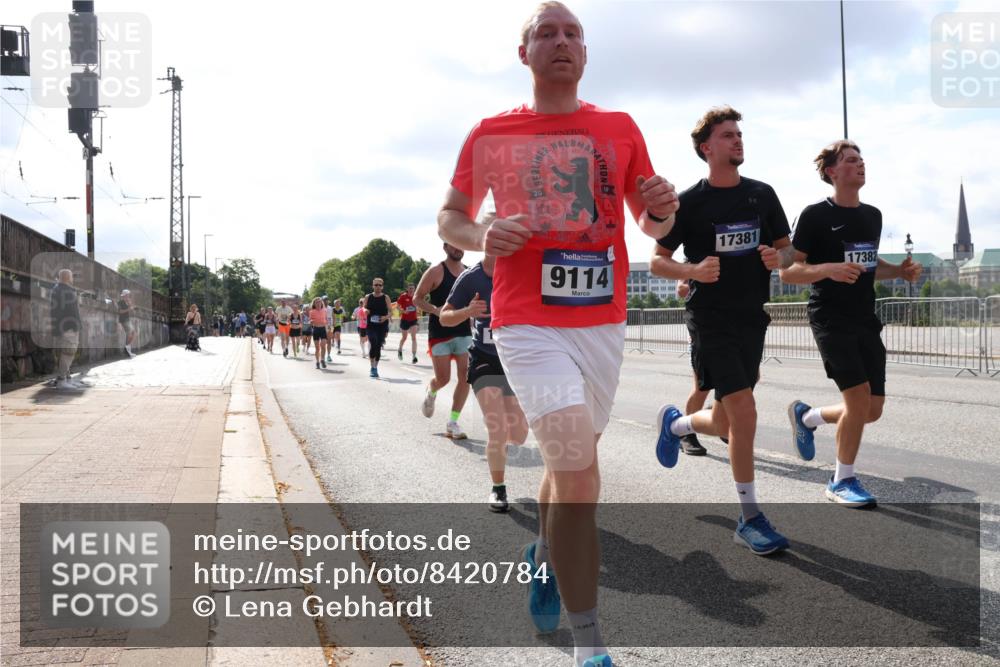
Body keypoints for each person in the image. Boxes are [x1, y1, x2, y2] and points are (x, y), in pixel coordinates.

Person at [437, 4, 680, 664]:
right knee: (579, 472)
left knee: (563, 465)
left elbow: (651, 223)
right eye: (547, 32)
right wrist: (481, 234)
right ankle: (590, 642)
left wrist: (663, 207)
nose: (562, 41)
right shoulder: (492, 134)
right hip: (526, 321)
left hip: (601, 322)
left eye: (573, 32)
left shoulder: (619, 127)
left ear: (586, 52)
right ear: (526, 54)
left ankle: (543, 558)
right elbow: (451, 218)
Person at [650, 106, 794, 556]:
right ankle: (750, 517)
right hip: (709, 315)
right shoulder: (690, 203)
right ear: (706, 148)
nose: (737, 141)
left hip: (752, 314)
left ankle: (676, 424)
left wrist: (778, 260)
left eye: (739, 134)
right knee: (745, 411)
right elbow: (657, 260)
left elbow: (789, 255)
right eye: (728, 135)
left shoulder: (762, 195)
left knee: (728, 418)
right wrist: (692, 268)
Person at [781, 140, 922, 508]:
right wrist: (828, 269)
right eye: (850, 160)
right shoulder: (814, 215)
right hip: (830, 316)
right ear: (831, 171)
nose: (860, 165)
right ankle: (841, 480)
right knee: (857, 401)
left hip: (865, 318)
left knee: (871, 410)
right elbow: (788, 271)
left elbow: (870, 265)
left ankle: (808, 417)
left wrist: (900, 272)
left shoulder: (872, 215)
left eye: (861, 160)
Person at [440, 254, 529, 512]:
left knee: (519, 435)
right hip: (483, 360)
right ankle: (498, 489)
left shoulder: (522, 270)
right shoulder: (471, 277)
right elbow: (445, 317)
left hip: (514, 361)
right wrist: (467, 311)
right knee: (497, 428)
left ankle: (500, 448)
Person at [415, 243, 473, 440]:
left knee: (466, 376)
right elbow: (417, 298)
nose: (458, 248)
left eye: (461, 244)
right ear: (445, 246)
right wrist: (435, 309)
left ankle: (453, 422)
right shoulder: (435, 271)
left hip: (464, 331)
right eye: (454, 245)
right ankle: (432, 390)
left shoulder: (469, 272)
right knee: (444, 379)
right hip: (439, 332)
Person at [50, 269, 84, 389]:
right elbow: (70, 311)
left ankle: (67, 379)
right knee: (68, 352)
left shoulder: (58, 289)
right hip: (68, 326)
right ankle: (62, 380)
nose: (72, 279)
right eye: (71, 276)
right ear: (67, 277)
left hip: (63, 326)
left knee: (65, 352)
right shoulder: (65, 290)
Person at [363, 278, 393, 378]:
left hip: (382, 325)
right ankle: (372, 367)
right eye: (376, 285)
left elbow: (390, 311)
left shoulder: (386, 297)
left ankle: (375, 366)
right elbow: (363, 307)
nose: (378, 287)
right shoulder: (368, 296)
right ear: (373, 286)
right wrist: (366, 310)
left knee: (378, 345)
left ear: (382, 286)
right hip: (371, 324)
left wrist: (385, 317)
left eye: (380, 285)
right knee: (373, 342)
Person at [394, 283, 421, 364]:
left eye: (412, 288)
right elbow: (397, 306)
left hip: (413, 320)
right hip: (405, 320)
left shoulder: (416, 297)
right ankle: (400, 349)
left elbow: (420, 305)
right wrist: (403, 311)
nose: (411, 290)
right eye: (410, 288)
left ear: (415, 289)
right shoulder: (403, 296)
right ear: (407, 289)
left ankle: (414, 356)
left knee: (413, 337)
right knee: (404, 338)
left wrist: (418, 308)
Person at [309, 297, 329, 368]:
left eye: (319, 302)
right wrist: (311, 322)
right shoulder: (312, 311)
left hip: (323, 329)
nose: (318, 303)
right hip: (316, 329)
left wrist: (327, 325)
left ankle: (322, 359)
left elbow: (326, 320)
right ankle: (317, 362)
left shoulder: (325, 310)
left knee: (323, 346)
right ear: (314, 304)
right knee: (317, 348)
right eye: (316, 302)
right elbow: (310, 321)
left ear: (321, 303)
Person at [117, 289, 137, 358]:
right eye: (127, 295)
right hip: (123, 320)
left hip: (128, 320)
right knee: (130, 333)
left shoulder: (127, 302)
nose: (128, 296)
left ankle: (127, 348)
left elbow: (133, 310)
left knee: (133, 333)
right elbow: (120, 311)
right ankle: (128, 350)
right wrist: (129, 309)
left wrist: (130, 304)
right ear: (124, 295)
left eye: (129, 295)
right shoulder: (120, 302)